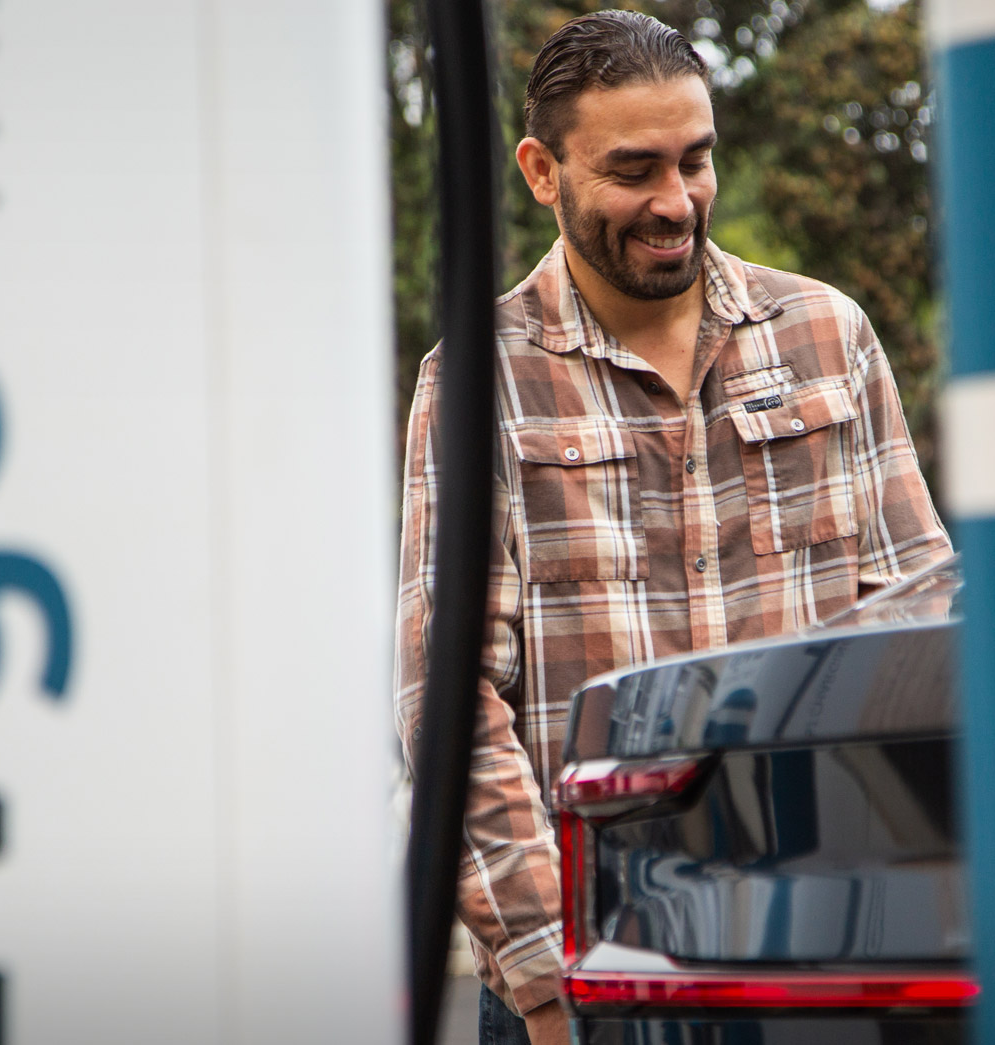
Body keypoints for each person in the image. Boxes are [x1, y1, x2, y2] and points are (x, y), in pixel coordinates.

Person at [395, 11, 951, 1045]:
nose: (674, 202)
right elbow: (449, 704)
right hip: (590, 971)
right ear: (541, 171)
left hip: (829, 952)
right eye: (633, 169)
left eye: (695, 161)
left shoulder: (828, 337)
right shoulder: (478, 381)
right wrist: (555, 991)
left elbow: (920, 627)